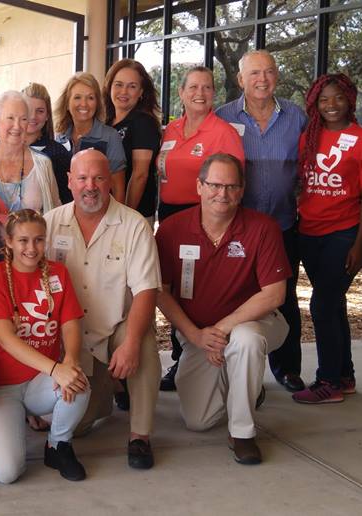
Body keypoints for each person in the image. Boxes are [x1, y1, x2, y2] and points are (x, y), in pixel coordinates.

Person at [155, 153, 290, 465]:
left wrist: (221, 330)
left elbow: (274, 295)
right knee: (198, 420)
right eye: (215, 185)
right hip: (199, 334)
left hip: (256, 323)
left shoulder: (262, 228)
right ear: (199, 186)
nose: (223, 194)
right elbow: (161, 293)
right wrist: (196, 335)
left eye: (231, 187)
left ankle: (242, 433)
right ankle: (246, 383)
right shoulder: (172, 229)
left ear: (241, 191)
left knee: (246, 340)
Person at [43, 150, 161, 470]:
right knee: (79, 428)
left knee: (145, 344)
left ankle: (140, 435)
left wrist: (133, 342)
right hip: (70, 340)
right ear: (69, 181)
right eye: (82, 178)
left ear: (110, 182)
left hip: (115, 330)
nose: (90, 186)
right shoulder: (50, 224)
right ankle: (104, 393)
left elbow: (146, 290)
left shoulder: (134, 225)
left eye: (98, 178)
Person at [291, 73, 362, 404]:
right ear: (315, 104)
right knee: (333, 305)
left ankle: (328, 381)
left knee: (321, 305)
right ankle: (344, 376)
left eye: (338, 98)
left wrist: (361, 244)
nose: (331, 105)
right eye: (324, 99)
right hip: (309, 233)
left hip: (344, 233)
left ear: (350, 100)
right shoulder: (309, 138)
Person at [215, 50, 307, 393]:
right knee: (234, 297)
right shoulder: (223, 118)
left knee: (284, 299)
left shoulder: (297, 117)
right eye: (254, 73)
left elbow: (309, 166)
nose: (262, 79)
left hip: (283, 226)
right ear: (241, 79)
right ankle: (232, 367)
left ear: (277, 76)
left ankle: (286, 369)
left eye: (269, 72)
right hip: (238, 228)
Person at [0, 209, 90, 483]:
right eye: (23, 241)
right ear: (9, 242)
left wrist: (70, 361)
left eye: (39, 240)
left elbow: (70, 324)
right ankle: (13, 422)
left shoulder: (58, 273)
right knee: (6, 473)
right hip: (1, 388)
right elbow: (6, 340)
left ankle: (58, 445)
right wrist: (56, 369)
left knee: (78, 382)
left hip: (41, 382)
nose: (31, 248)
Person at [158, 66, 246, 391]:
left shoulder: (223, 132)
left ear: (214, 94)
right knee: (174, 290)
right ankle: (181, 358)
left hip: (204, 216)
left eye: (207, 87)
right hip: (170, 217)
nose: (200, 92)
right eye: (193, 86)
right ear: (180, 93)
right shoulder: (170, 130)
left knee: (200, 289)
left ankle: (208, 359)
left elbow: (233, 182)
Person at [0, 90, 60, 268]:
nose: (17, 126)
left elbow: (55, 215)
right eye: (10, 118)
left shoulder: (43, 164)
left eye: (23, 119)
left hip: (33, 263)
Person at [54, 72, 127, 202]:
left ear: (97, 103)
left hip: (101, 215)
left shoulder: (110, 137)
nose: (84, 104)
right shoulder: (58, 138)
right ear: (67, 102)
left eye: (90, 98)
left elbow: (117, 187)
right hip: (64, 216)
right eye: (77, 97)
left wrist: (116, 221)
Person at [104, 59, 161, 222]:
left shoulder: (143, 123)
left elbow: (140, 175)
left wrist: (124, 217)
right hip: (107, 213)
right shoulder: (106, 122)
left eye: (132, 86)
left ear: (141, 92)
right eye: (118, 84)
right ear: (109, 87)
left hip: (133, 215)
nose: (124, 91)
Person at [23, 82, 73, 204]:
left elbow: (66, 202)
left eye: (40, 111)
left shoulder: (59, 154)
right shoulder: (1, 148)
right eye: (27, 110)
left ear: (47, 116)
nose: (33, 116)